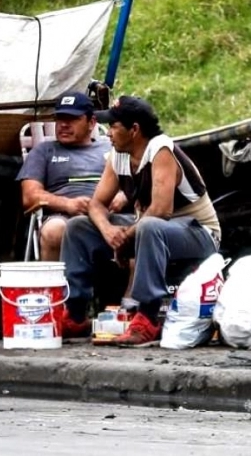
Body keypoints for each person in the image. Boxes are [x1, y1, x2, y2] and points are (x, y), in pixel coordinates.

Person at [59, 95, 221, 345]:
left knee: (149, 225)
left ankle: (148, 317)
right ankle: (76, 313)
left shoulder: (161, 150)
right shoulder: (118, 154)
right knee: (78, 226)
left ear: (134, 129)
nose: (109, 133)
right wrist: (108, 230)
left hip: (198, 233)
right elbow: (97, 204)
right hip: (149, 230)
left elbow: (161, 210)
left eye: (114, 126)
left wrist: (126, 234)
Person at [16, 91, 111, 261]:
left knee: (140, 229)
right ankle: (57, 286)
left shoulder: (110, 149)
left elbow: (134, 184)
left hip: (109, 213)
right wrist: (67, 204)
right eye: (60, 118)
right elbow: (30, 196)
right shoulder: (43, 151)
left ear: (91, 123)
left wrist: (121, 197)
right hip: (63, 216)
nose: (64, 125)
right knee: (54, 231)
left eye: (73, 119)